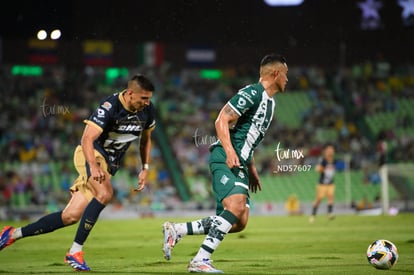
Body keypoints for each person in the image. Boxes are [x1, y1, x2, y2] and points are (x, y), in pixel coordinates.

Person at [0, 74, 156, 271]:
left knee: (70, 216)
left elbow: (146, 139)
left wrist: (145, 167)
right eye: (144, 98)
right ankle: (75, 251)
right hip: (90, 154)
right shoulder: (110, 106)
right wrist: (93, 165)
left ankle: (11, 234)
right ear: (131, 93)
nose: (147, 102)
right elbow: (86, 139)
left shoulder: (148, 110)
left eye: (149, 98)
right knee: (105, 193)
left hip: (109, 163)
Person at [162, 54, 288, 273]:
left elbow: (248, 138)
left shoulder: (271, 104)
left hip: (241, 161)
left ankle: (177, 229)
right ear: (276, 73)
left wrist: (252, 169)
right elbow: (221, 119)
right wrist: (230, 151)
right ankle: (200, 259)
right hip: (225, 157)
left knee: (239, 222)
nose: (288, 79)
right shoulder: (252, 93)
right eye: (286, 74)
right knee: (236, 206)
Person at [309, 143, 337, 223]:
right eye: (329, 150)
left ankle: (330, 213)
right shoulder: (323, 160)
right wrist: (321, 169)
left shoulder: (334, 161)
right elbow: (318, 169)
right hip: (322, 184)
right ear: (326, 152)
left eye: (332, 150)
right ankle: (313, 215)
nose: (330, 152)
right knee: (318, 200)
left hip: (330, 183)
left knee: (331, 197)